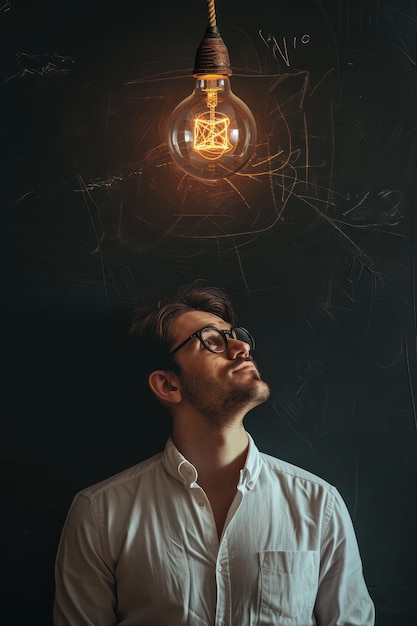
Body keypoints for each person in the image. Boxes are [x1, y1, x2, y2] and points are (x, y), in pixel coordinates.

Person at [53, 282, 375, 626]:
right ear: (168, 384)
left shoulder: (319, 504)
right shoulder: (100, 513)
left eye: (234, 335)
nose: (241, 347)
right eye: (211, 340)